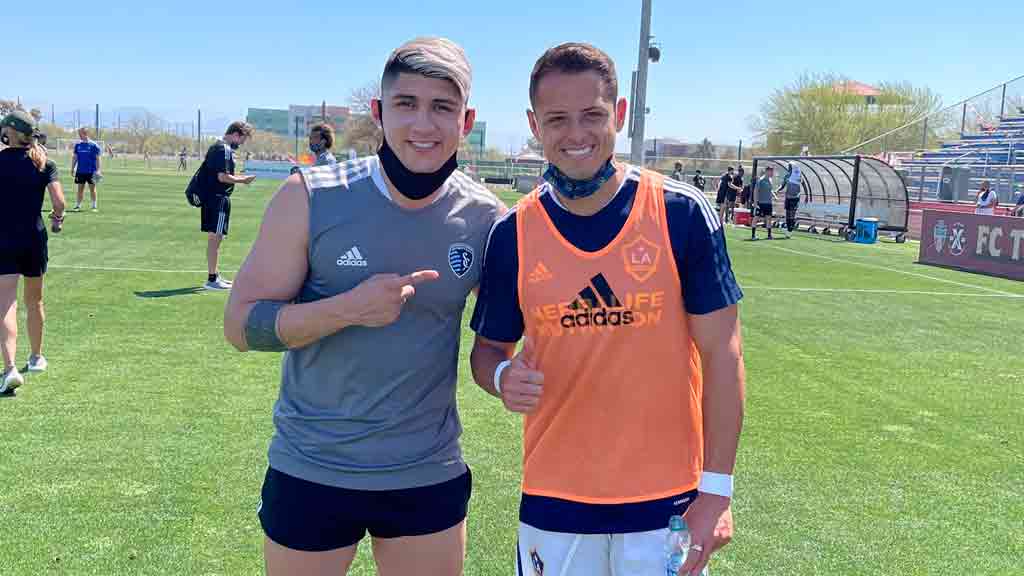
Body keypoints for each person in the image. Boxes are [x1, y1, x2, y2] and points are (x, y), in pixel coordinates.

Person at [223, 37, 502, 576]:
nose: (423, 123)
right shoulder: (311, 195)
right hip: (313, 466)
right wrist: (346, 309)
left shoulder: (485, 217)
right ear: (379, 112)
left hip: (427, 470)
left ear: (465, 120)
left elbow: (512, 332)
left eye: (442, 107)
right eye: (406, 104)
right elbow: (240, 325)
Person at [469, 42, 744, 576]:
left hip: (668, 502)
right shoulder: (513, 233)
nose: (576, 134)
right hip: (555, 498)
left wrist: (717, 490)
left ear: (618, 114)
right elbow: (486, 351)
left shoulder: (681, 213)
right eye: (557, 119)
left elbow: (722, 354)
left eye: (592, 115)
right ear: (534, 124)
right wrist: (503, 375)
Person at [0, 111, 66, 393]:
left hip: (4, 237)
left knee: (6, 304)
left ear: (11, 133)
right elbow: (59, 202)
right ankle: (37, 357)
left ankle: (10, 368)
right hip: (34, 237)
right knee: (35, 301)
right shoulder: (45, 163)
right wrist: (56, 219)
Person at [71, 127, 102, 212]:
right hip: (80, 171)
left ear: (85, 133)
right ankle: (78, 206)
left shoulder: (94, 145)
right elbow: (75, 157)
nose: (79, 136)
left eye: (80, 134)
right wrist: (72, 168)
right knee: (80, 189)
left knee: (93, 189)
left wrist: (98, 170)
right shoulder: (78, 145)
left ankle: (94, 206)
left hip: (92, 171)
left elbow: (98, 158)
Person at [751, 165, 777, 240]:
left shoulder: (770, 180)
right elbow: (755, 191)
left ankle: (769, 235)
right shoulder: (760, 180)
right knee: (756, 218)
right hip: (761, 203)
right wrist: (755, 202)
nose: (772, 173)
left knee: (769, 218)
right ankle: (753, 236)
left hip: (768, 203)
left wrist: (774, 196)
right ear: (767, 171)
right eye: (771, 171)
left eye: (772, 171)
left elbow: (770, 190)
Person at [780, 161, 802, 238]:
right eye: (788, 166)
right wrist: (777, 190)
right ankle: (789, 229)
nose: (789, 168)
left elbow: (803, 184)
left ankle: (790, 230)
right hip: (788, 198)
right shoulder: (787, 176)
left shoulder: (798, 176)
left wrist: (806, 195)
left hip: (795, 198)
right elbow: (782, 185)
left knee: (792, 214)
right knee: (788, 214)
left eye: (790, 166)